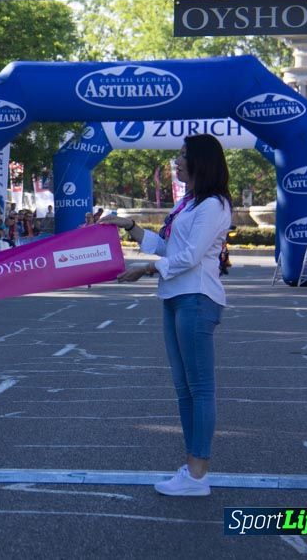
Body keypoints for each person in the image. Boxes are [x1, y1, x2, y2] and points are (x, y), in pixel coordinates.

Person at [100, 134, 232, 497]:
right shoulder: (187, 203)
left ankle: (198, 474)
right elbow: (165, 245)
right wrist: (128, 227)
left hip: (197, 298)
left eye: (183, 156)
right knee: (184, 390)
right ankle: (192, 467)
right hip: (174, 297)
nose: (177, 161)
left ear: (200, 162)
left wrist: (145, 269)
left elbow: (189, 258)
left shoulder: (214, 206)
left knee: (200, 389)